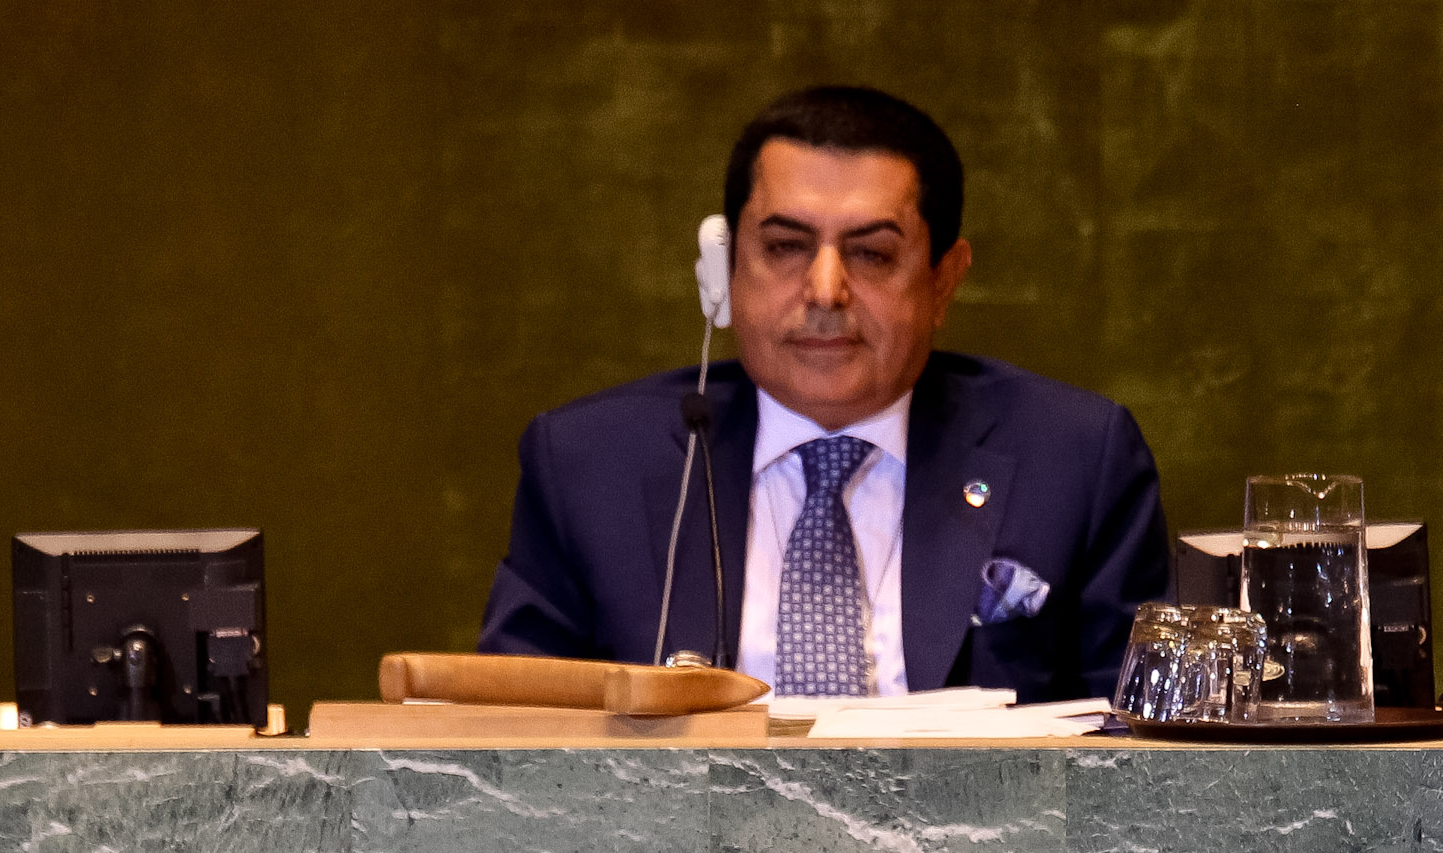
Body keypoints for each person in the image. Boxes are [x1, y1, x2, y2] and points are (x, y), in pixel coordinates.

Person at [478, 85, 1167, 703]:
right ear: (724, 269)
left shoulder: (1073, 458)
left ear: (943, 282)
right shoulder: (589, 465)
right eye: (785, 246)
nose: (825, 290)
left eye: (870, 253)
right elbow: (510, 744)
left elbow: (1143, 753)